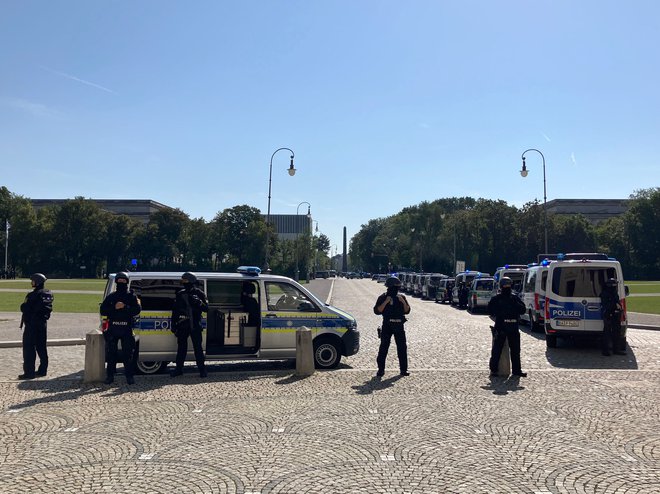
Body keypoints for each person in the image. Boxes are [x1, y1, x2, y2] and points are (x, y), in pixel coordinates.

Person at [100, 272, 141, 385]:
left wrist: (125, 307)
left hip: (126, 328)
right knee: (111, 354)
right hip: (113, 327)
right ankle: (110, 376)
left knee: (128, 354)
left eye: (124, 281)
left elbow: (137, 310)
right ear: (117, 282)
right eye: (120, 281)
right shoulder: (111, 296)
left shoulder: (131, 297)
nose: (121, 283)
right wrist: (114, 307)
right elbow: (103, 310)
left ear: (127, 282)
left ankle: (129, 377)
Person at [170, 272, 209, 378]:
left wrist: (199, 302)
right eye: (183, 281)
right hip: (182, 324)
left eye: (185, 281)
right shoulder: (180, 293)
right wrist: (173, 324)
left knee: (198, 348)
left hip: (195, 324)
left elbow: (207, 308)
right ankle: (178, 369)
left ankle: (202, 370)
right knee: (181, 348)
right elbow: (175, 310)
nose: (184, 283)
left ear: (191, 281)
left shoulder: (199, 293)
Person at [488, 276, 527, 377]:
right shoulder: (514, 298)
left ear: (500, 286)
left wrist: (499, 313)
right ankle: (516, 370)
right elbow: (523, 310)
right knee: (515, 350)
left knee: (497, 350)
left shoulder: (497, 298)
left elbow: (489, 310)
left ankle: (494, 370)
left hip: (501, 326)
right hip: (512, 326)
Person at [374, 275, 411, 377]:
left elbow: (407, 310)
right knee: (384, 347)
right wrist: (386, 301)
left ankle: (403, 370)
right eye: (394, 288)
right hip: (387, 325)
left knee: (402, 348)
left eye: (397, 288)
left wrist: (402, 301)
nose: (395, 290)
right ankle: (381, 369)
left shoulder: (401, 297)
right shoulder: (382, 297)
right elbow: (377, 311)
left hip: (399, 325)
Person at [19, 273, 54, 380]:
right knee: (42, 347)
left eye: (33, 281)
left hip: (31, 325)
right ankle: (43, 370)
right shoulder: (48, 294)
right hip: (42, 324)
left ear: (37, 282)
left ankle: (29, 373)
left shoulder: (32, 295)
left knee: (29, 348)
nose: (31, 283)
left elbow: (24, 308)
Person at [600, 278, 626, 356]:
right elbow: (606, 305)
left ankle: (616, 349)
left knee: (616, 333)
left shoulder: (614, 292)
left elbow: (617, 301)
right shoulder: (605, 293)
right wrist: (615, 305)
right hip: (608, 315)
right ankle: (606, 351)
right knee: (607, 334)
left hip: (615, 314)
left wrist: (619, 307)